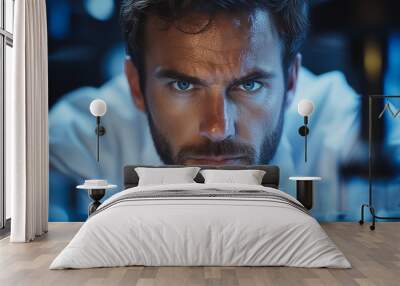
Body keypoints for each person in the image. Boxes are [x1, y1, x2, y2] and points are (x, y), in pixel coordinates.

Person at [49, 0, 360, 221]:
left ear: (291, 82)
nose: (217, 128)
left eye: (249, 86)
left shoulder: (337, 126)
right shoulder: (83, 136)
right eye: (183, 86)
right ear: (135, 86)